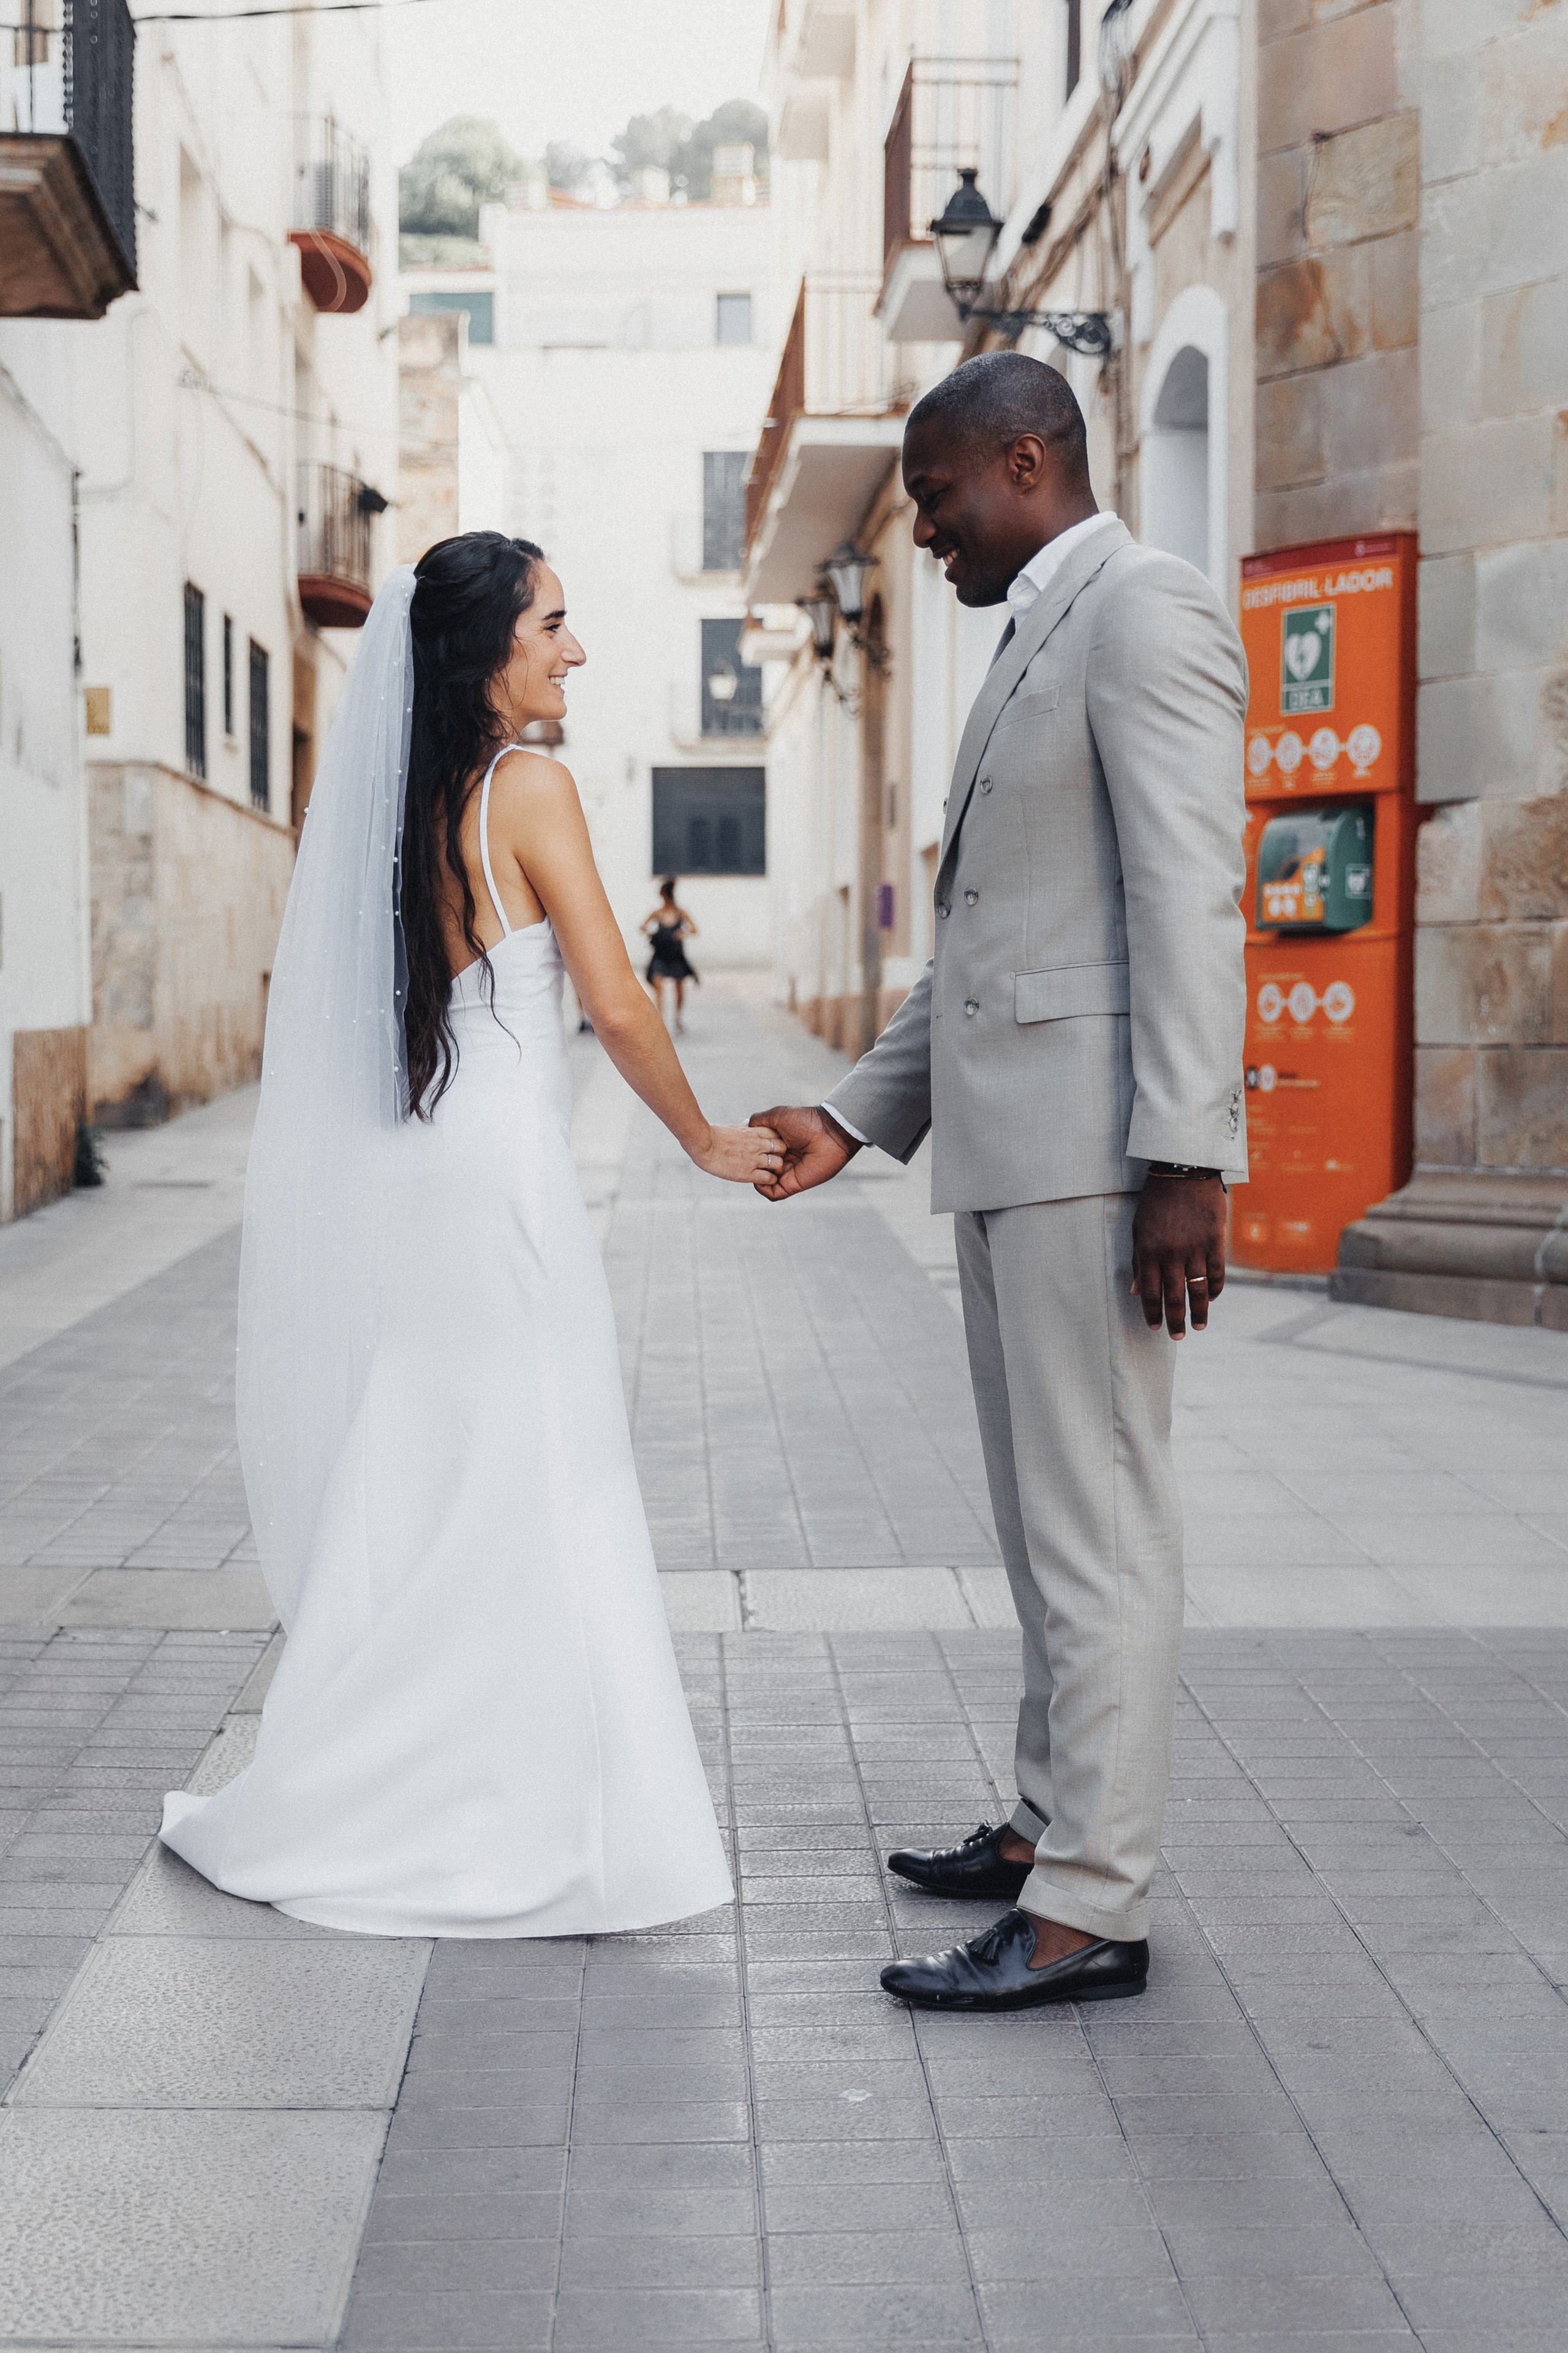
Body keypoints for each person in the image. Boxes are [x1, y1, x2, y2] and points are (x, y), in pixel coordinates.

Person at [160, 534, 783, 1936]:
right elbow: (619, 1004)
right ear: (486, 645)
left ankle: (422, 1767)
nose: (574, 648)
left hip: (427, 1167)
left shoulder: (412, 796)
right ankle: (529, 1799)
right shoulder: (532, 787)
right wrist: (701, 1137)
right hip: (501, 1173)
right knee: (540, 1461)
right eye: (552, 623)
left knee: (447, 1459)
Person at [751, 354, 1248, 2012]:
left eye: (940, 492)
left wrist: (1186, 1157)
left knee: (1099, 1527)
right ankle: (1052, 1828)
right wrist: (855, 1114)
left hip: (1100, 1167)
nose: (929, 526)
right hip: (1014, 1156)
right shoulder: (1038, 627)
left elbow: (1192, 899)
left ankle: (1092, 1906)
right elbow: (987, 942)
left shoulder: (1144, 611)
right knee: (1051, 1528)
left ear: (1026, 460)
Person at [642, 877, 699, 1032]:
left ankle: (677, 1018)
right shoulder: (657, 913)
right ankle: (661, 1019)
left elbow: (694, 930)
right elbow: (643, 927)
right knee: (658, 984)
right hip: (661, 954)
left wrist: (682, 933)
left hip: (676, 954)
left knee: (679, 987)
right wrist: (653, 933)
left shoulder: (681, 913)